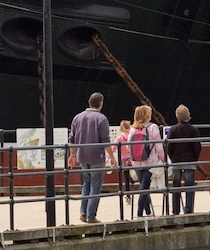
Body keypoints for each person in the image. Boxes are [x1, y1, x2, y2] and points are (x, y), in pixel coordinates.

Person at [67, 92, 117, 224]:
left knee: (86, 184)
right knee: (95, 186)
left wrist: (72, 155)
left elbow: (71, 139)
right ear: (101, 104)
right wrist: (112, 158)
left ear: (90, 102)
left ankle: (83, 213)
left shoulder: (77, 117)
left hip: (82, 156)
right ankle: (91, 216)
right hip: (96, 157)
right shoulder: (102, 119)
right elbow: (105, 141)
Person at [165, 104, 201, 215]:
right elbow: (197, 147)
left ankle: (175, 210)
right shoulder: (194, 130)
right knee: (189, 186)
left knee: (176, 186)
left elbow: (168, 146)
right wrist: (195, 159)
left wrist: (172, 158)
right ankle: (188, 209)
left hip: (176, 162)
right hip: (189, 161)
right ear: (188, 115)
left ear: (177, 116)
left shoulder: (173, 129)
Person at [129, 105, 164, 218]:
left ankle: (148, 211)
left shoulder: (132, 129)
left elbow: (128, 146)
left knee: (144, 186)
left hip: (137, 162)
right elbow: (159, 146)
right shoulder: (153, 127)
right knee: (144, 187)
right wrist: (163, 159)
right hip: (150, 162)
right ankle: (139, 213)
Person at [113, 120, 133, 203]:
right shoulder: (132, 137)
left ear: (121, 129)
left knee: (126, 179)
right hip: (133, 159)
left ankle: (128, 196)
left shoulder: (119, 138)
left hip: (124, 160)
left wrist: (108, 157)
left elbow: (113, 148)